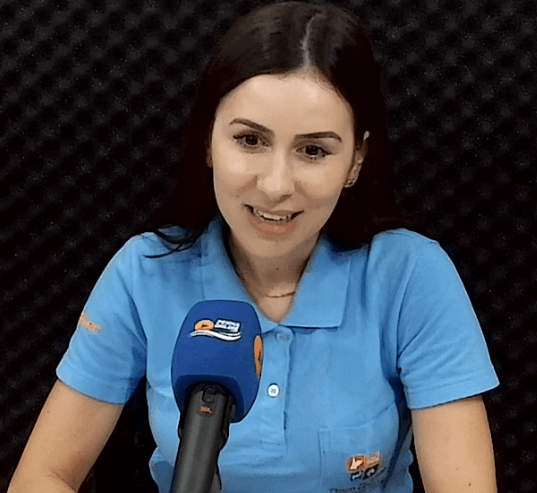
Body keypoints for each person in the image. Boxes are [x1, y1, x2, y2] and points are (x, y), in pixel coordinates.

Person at [9, 2, 499, 492]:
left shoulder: (411, 276)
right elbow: (41, 476)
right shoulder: (144, 272)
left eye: (313, 150)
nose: (275, 185)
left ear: (355, 161)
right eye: (250, 140)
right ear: (208, 141)